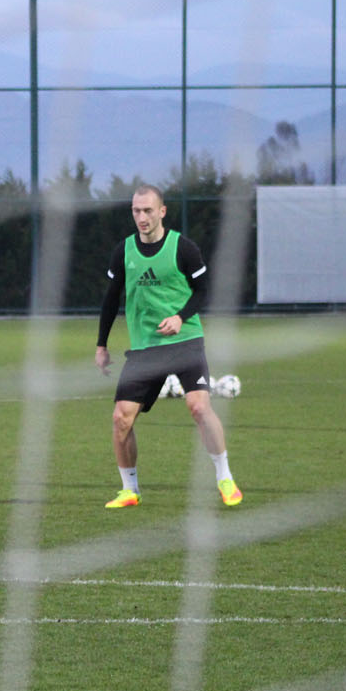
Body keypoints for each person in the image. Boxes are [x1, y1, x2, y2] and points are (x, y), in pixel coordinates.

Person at [94, 183, 242, 509]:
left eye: (148, 210)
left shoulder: (183, 248)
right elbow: (111, 299)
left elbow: (203, 291)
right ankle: (129, 490)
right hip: (146, 348)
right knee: (121, 418)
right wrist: (101, 345)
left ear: (162, 211)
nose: (142, 217)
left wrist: (179, 317)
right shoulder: (124, 251)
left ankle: (225, 477)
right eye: (136, 211)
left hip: (185, 340)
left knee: (199, 407)